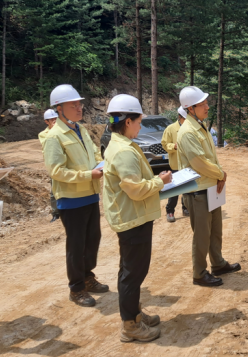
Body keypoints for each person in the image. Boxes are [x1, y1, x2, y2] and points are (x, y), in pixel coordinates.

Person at [102, 94, 173, 342]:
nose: (140, 127)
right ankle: (130, 325)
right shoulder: (124, 151)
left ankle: (134, 315)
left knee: (131, 271)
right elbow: (135, 189)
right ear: (128, 121)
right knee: (133, 273)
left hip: (132, 216)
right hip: (132, 219)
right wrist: (160, 182)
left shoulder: (121, 144)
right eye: (139, 122)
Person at [42, 84, 108, 307]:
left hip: (90, 195)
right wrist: (88, 175)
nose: (79, 108)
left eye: (79, 104)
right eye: (73, 105)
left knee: (92, 241)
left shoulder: (80, 130)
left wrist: (101, 164)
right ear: (59, 109)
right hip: (71, 200)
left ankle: (88, 277)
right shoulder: (54, 136)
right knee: (76, 246)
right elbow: (56, 171)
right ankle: (76, 288)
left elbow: (94, 153)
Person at [177, 86, 240, 286]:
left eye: (206, 103)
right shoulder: (188, 132)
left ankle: (218, 263)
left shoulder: (200, 126)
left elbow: (210, 158)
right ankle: (199, 273)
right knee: (202, 235)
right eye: (202, 104)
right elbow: (200, 163)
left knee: (215, 230)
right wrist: (221, 174)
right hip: (197, 192)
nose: (207, 107)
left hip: (210, 187)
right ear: (190, 108)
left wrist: (218, 177)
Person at [161, 106, 189, 222]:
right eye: (185, 119)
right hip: (176, 164)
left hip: (188, 164)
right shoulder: (171, 129)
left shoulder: (190, 128)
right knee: (175, 189)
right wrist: (174, 146)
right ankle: (170, 211)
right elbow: (164, 144)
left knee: (187, 188)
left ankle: (185, 208)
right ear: (179, 117)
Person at [39, 109, 60, 222]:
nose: (54, 121)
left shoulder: (63, 131)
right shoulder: (43, 134)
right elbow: (49, 143)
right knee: (54, 191)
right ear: (46, 122)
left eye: (56, 119)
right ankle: (56, 213)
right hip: (53, 165)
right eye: (52, 120)